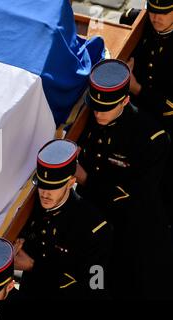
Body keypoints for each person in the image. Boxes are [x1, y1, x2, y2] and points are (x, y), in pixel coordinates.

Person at [76, 59, 173, 298]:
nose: (98, 112)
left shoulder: (150, 138)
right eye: (95, 106)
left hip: (133, 235)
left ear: (125, 99)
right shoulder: (90, 120)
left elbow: (131, 197)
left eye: (105, 108)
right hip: (96, 230)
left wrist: (85, 178)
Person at [14, 139, 112, 299]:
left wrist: (33, 266)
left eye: (53, 187)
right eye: (42, 185)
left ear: (71, 182)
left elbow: (93, 287)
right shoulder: (30, 209)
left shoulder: (95, 227)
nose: (45, 193)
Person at [127, 0, 173, 227]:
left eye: (163, 14)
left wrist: (137, 89)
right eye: (153, 11)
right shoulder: (140, 22)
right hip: (134, 117)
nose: (156, 18)